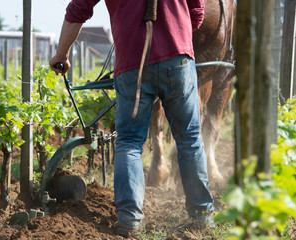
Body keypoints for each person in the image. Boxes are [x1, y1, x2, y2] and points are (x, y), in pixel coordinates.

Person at [49, 0, 214, 237]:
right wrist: (174, 31)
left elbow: (78, 9)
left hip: (132, 64)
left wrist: (61, 54)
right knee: (189, 139)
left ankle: (129, 222)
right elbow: (197, 14)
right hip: (177, 58)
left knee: (129, 143)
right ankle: (202, 216)